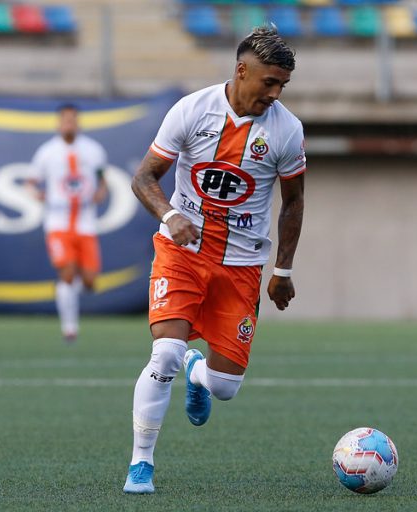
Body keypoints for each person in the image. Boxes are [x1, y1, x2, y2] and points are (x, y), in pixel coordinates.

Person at [123, 27, 306, 494]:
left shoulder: (286, 130)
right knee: (164, 352)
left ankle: (198, 372)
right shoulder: (191, 110)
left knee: (225, 387)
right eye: (269, 82)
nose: (276, 93)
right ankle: (141, 463)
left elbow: (293, 202)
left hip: (242, 267)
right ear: (242, 70)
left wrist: (282, 270)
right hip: (182, 254)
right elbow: (144, 178)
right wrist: (170, 216)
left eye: (283, 84)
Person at [27, 104, 108, 343]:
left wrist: (101, 191)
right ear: (59, 123)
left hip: (86, 222)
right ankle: (69, 327)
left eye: (73, 120)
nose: (69, 124)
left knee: (90, 281)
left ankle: (65, 292)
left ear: (78, 122)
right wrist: (37, 194)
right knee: (68, 272)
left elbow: (102, 178)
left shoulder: (93, 150)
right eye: (65, 120)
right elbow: (30, 182)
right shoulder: (47, 152)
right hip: (58, 222)